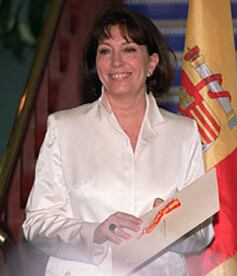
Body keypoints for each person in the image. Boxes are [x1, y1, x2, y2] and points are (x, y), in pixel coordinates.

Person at [22, 5, 214, 276]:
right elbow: (37, 225)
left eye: (129, 49)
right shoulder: (64, 128)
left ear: (152, 63)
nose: (116, 62)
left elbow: (203, 234)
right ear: (95, 63)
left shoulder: (184, 133)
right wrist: (95, 233)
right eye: (105, 51)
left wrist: (172, 227)